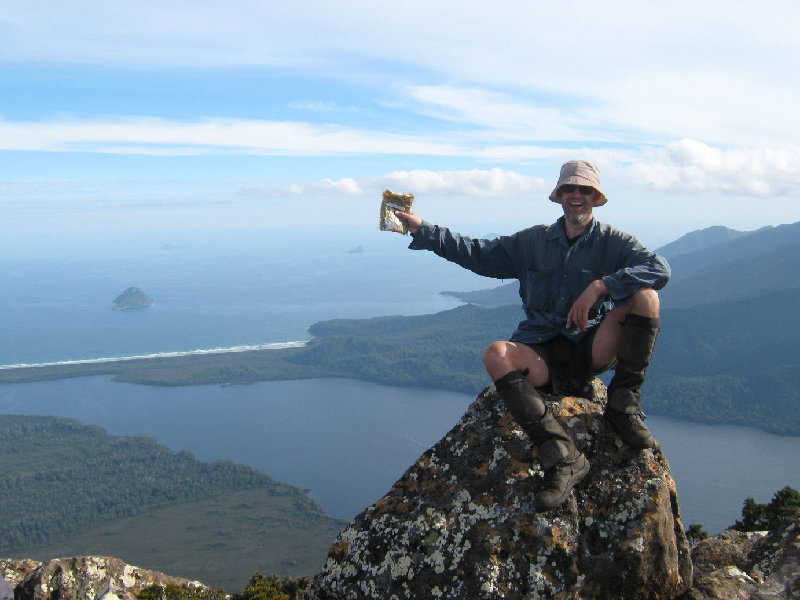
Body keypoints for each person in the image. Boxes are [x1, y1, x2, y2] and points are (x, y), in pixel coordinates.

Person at [395, 160, 670, 511]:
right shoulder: (532, 242)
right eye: (569, 189)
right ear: (558, 196)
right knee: (496, 354)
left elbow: (660, 270)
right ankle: (562, 456)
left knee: (646, 296)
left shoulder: (614, 243)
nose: (576, 195)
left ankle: (623, 405)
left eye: (584, 189)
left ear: (596, 198)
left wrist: (601, 286)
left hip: (591, 346)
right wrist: (423, 230)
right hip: (541, 350)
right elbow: (478, 253)